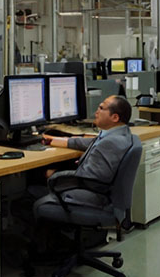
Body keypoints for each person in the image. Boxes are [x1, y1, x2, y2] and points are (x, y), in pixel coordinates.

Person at [35, 95, 135, 228]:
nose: (96, 112)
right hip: (105, 194)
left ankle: (52, 238)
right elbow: (87, 142)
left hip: (95, 196)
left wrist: (56, 174)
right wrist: (50, 140)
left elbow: (92, 181)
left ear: (115, 117)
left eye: (101, 108)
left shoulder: (110, 143)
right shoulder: (121, 134)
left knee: (34, 189)